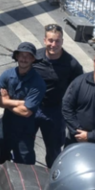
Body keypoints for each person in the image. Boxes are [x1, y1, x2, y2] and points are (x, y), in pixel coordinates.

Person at [33, 24, 83, 167]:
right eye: (50, 40)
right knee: (24, 144)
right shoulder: (35, 57)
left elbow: (78, 90)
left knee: (54, 150)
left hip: (55, 112)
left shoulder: (72, 65)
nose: (53, 44)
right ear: (44, 40)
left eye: (57, 41)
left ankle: (52, 177)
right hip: (33, 108)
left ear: (62, 41)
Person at [0, 41, 46, 165]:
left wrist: (5, 101)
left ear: (33, 59)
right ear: (16, 56)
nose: (24, 59)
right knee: (2, 157)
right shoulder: (7, 74)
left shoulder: (38, 83)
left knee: (24, 163)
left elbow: (26, 112)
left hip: (25, 129)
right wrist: (19, 103)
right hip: (6, 124)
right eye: (22, 55)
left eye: (28, 56)